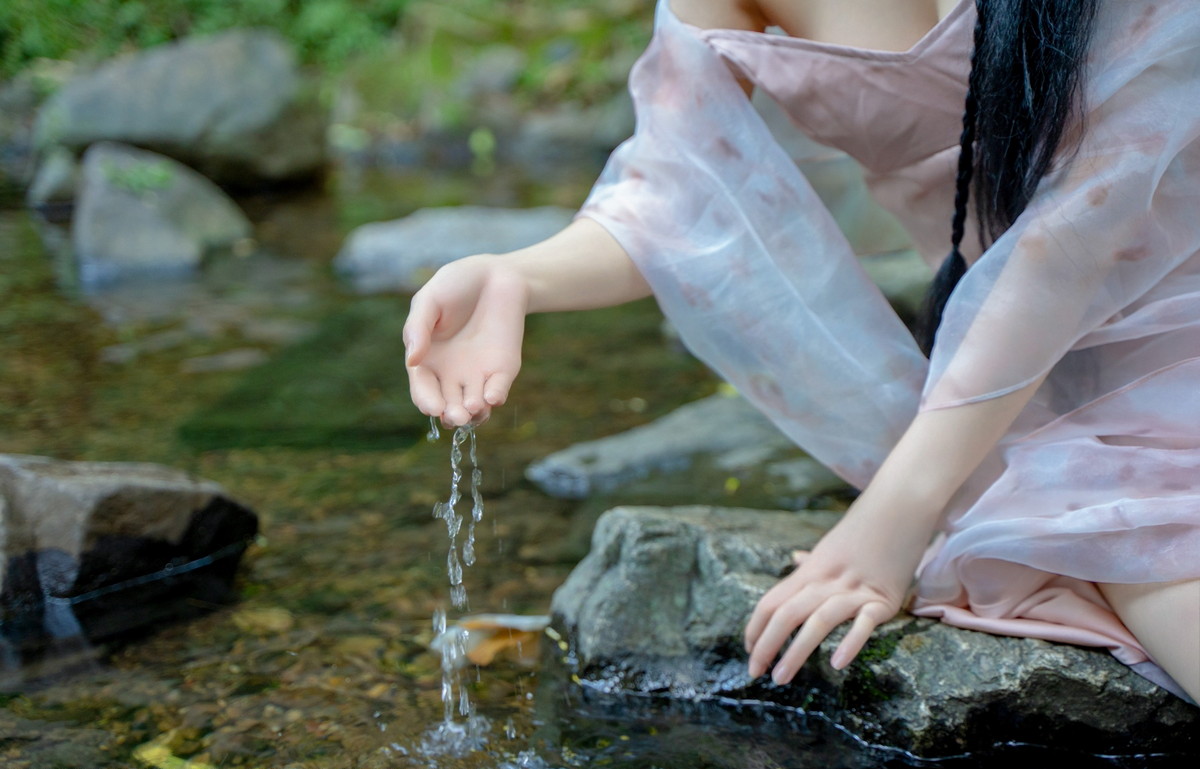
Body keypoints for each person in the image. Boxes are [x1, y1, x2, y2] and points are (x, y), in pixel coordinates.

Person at [403, 0, 1200, 704]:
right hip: (1016, 393)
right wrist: (517, 276)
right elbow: (671, 193)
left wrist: (896, 511)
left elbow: (1080, 229)